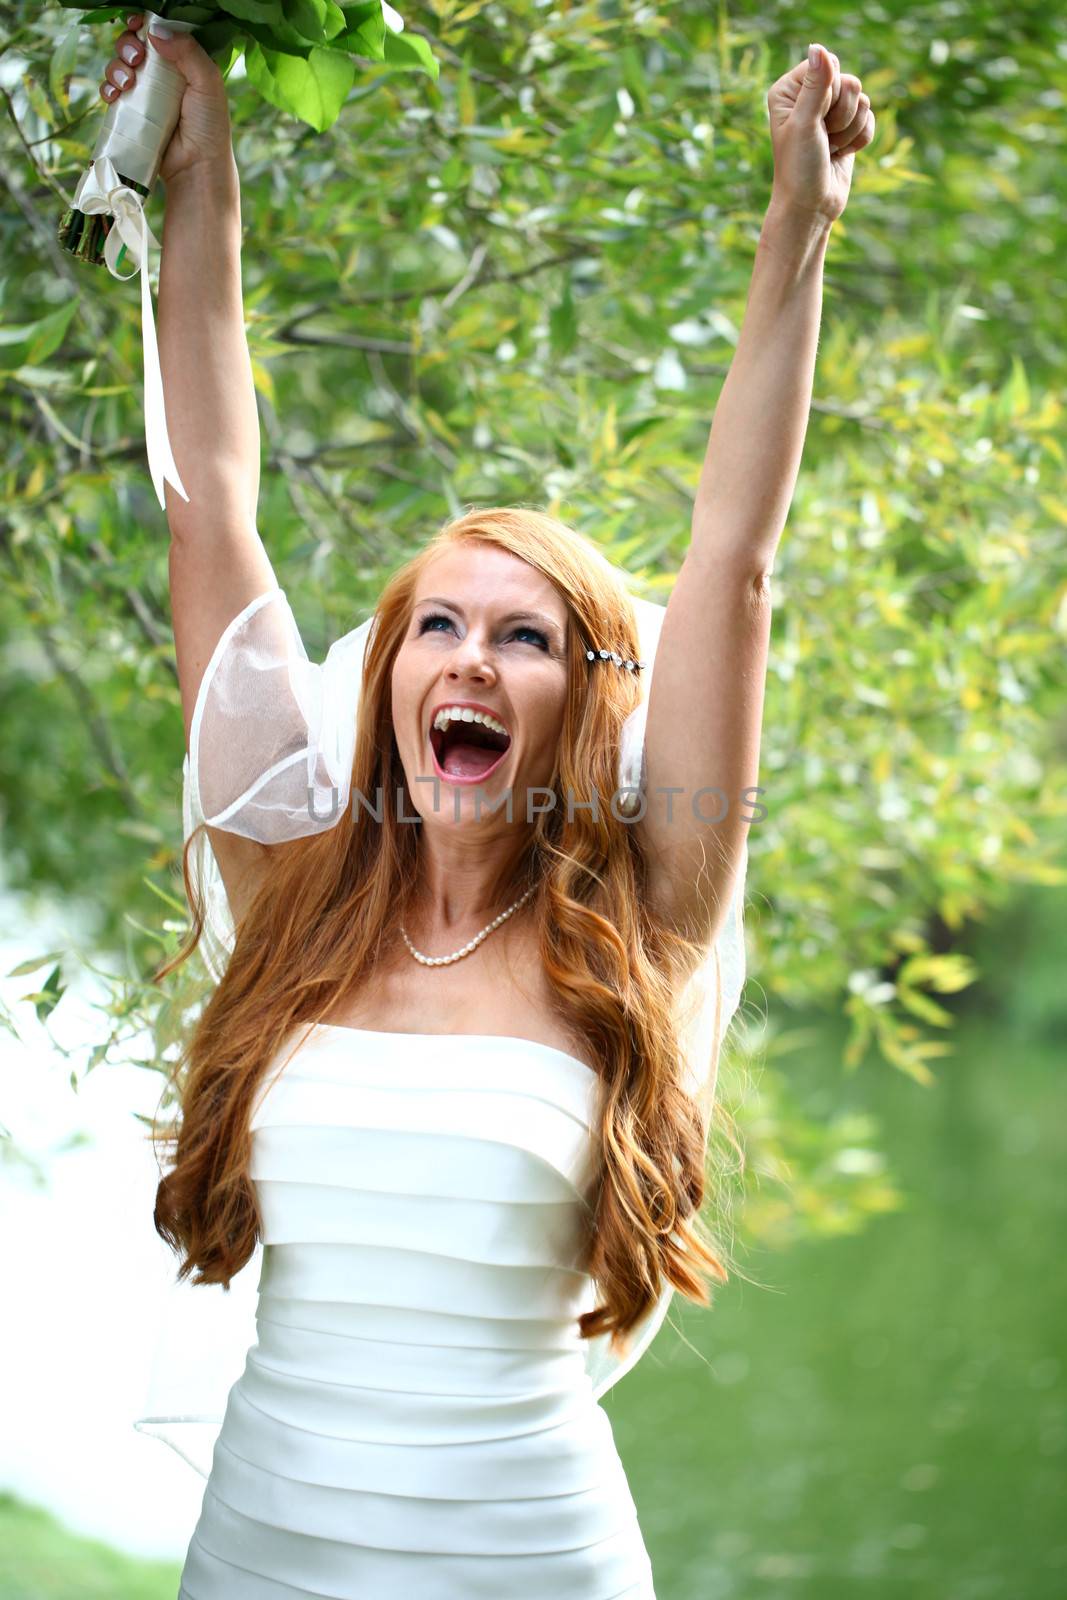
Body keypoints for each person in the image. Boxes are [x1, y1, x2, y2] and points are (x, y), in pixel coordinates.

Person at [105, 15, 873, 1597]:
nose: (470, 659)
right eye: (438, 627)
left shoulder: (646, 911)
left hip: (531, 1556)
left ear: (586, 698)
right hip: (263, 1549)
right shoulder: (296, 885)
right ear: (390, 681)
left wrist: (800, 224)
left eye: (524, 636)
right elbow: (211, 512)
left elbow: (731, 557)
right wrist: (206, 178)